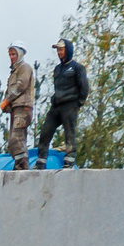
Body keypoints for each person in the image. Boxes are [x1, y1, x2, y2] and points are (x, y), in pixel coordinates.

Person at [33, 39, 88, 169]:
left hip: (70, 105)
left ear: (68, 50)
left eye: (61, 49)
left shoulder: (77, 68)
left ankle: (69, 161)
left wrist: (78, 103)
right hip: (56, 105)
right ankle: (41, 161)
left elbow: (84, 88)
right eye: (58, 50)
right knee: (46, 131)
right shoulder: (57, 69)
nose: (59, 52)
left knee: (69, 132)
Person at [0, 45, 34, 164]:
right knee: (12, 143)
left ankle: (22, 166)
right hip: (16, 108)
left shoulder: (25, 68)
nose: (11, 57)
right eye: (10, 54)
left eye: (13, 54)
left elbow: (20, 86)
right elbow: (11, 89)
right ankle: (20, 165)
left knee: (16, 138)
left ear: (20, 54)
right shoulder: (14, 72)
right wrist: (7, 104)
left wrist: (7, 100)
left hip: (23, 107)